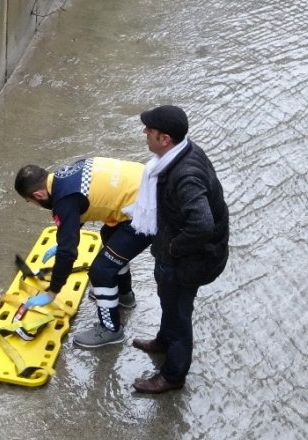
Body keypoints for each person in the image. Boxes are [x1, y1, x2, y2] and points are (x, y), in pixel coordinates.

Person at [129, 105, 229, 394]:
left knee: (179, 312)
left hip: (188, 261)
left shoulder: (185, 176)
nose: (145, 132)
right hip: (179, 254)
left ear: (165, 139)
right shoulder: (181, 153)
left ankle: (173, 376)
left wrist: (172, 247)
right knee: (169, 302)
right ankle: (163, 340)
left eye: (150, 129)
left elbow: (202, 224)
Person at [14, 157, 150, 348]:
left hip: (150, 210)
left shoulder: (63, 201)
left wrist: (52, 292)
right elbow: (82, 202)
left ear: (38, 194)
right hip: (148, 186)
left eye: (31, 202)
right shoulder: (65, 174)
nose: (34, 205)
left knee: (101, 270)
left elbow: (68, 253)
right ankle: (123, 295)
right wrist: (65, 240)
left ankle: (111, 329)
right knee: (109, 236)